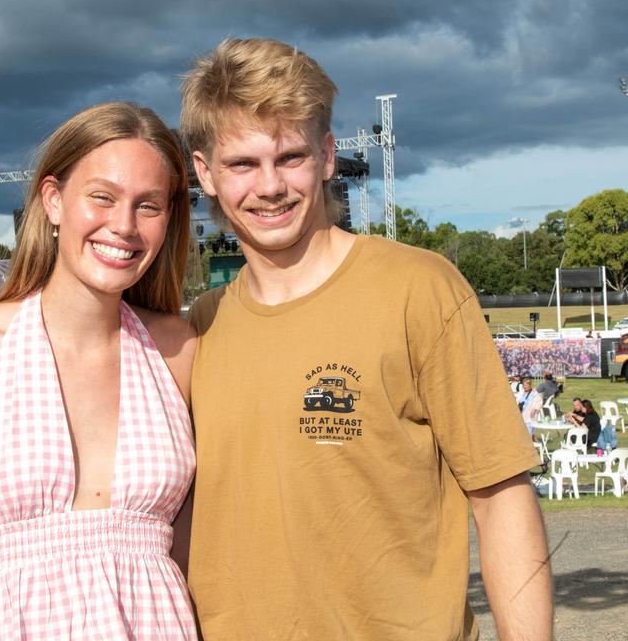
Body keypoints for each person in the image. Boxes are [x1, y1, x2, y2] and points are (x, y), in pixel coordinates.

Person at [176, 38, 551, 639]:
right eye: (243, 164)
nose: (269, 186)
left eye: (290, 157)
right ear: (206, 174)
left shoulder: (419, 289)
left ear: (327, 155)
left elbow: (501, 495)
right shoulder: (199, 329)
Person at [0, 102, 197, 640]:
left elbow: (197, 563)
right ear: (53, 200)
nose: (123, 225)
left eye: (148, 205)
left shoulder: (181, 353)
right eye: (102, 196)